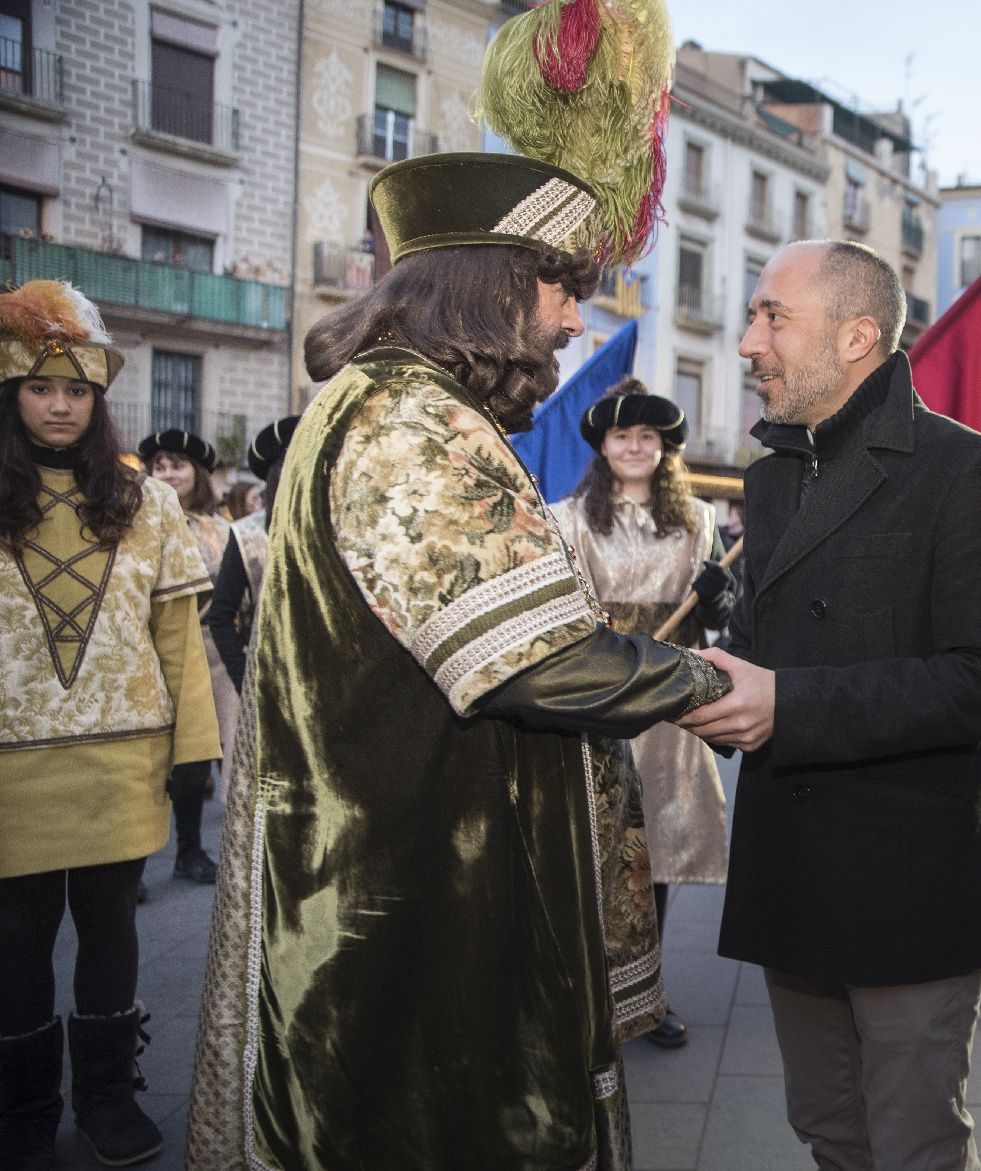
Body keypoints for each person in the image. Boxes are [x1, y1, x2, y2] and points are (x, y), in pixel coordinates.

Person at [184, 1, 726, 1166]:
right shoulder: (406, 416)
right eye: (556, 287)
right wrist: (705, 680)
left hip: (419, 856)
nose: (574, 318)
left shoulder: (397, 404)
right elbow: (532, 657)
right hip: (406, 890)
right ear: (487, 286)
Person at [678, 240, 981, 1171]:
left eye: (772, 317)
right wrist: (708, 679)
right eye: (754, 316)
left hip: (904, 883)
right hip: (791, 871)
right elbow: (771, 644)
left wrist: (786, 705)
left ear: (857, 336)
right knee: (829, 1129)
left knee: (912, 1143)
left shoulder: (970, 472)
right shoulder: (768, 476)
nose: (749, 341)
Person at [0, 280, 221, 1169]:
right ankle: (21, 1110)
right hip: (11, 770)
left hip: (122, 761)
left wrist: (193, 756)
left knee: (111, 932)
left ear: (99, 401)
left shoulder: (150, 504)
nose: (60, 405)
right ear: (10, 392)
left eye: (78, 390)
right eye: (41, 387)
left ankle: (106, 1097)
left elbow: (178, 639)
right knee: (14, 941)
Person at [552, 381, 736, 1049]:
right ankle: (584, 993)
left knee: (654, 850)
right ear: (602, 447)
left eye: (648, 437)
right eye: (621, 436)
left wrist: (719, 600)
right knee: (593, 848)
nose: (634, 445)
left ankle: (646, 994)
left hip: (666, 701)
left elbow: (720, 620)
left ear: (664, 449)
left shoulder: (697, 523)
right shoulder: (567, 519)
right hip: (599, 699)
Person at [137, 428, 229, 883]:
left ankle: (189, 852)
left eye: (179, 465)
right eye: (159, 466)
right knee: (148, 760)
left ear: (198, 473)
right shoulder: (134, 522)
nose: (169, 474)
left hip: (209, 651)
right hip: (152, 650)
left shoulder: (222, 531)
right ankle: (128, 868)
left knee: (196, 759)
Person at [205, 415, 299, 694]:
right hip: (269, 679)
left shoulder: (345, 532)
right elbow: (220, 616)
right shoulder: (248, 534)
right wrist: (245, 680)